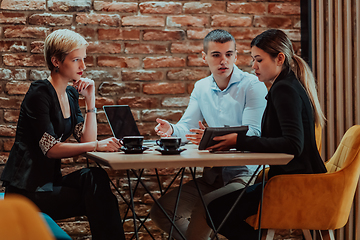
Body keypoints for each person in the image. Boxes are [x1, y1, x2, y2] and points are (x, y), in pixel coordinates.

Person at [0, 29, 125, 240]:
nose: (83, 67)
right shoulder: (39, 94)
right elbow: (51, 149)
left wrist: (91, 100)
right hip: (28, 191)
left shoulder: (70, 94)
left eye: (83, 59)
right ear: (56, 61)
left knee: (94, 178)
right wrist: (97, 146)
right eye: (76, 59)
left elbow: (86, 139)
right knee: (98, 198)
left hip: (50, 184)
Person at [204, 29, 327, 240]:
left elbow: (292, 144)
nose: (253, 66)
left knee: (215, 211)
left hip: (293, 186)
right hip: (296, 182)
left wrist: (238, 140)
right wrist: (238, 140)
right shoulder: (288, 84)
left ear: (280, 58)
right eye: (253, 60)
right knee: (218, 209)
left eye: (259, 60)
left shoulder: (283, 90)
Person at [150, 29, 268, 240]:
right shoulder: (201, 87)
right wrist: (171, 130)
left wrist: (212, 135)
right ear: (204, 57)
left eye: (229, 54)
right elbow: (186, 128)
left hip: (247, 176)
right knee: (163, 210)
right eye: (216, 55)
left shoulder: (253, 85)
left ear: (236, 56)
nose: (224, 60)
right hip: (213, 177)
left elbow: (253, 133)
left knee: (206, 208)